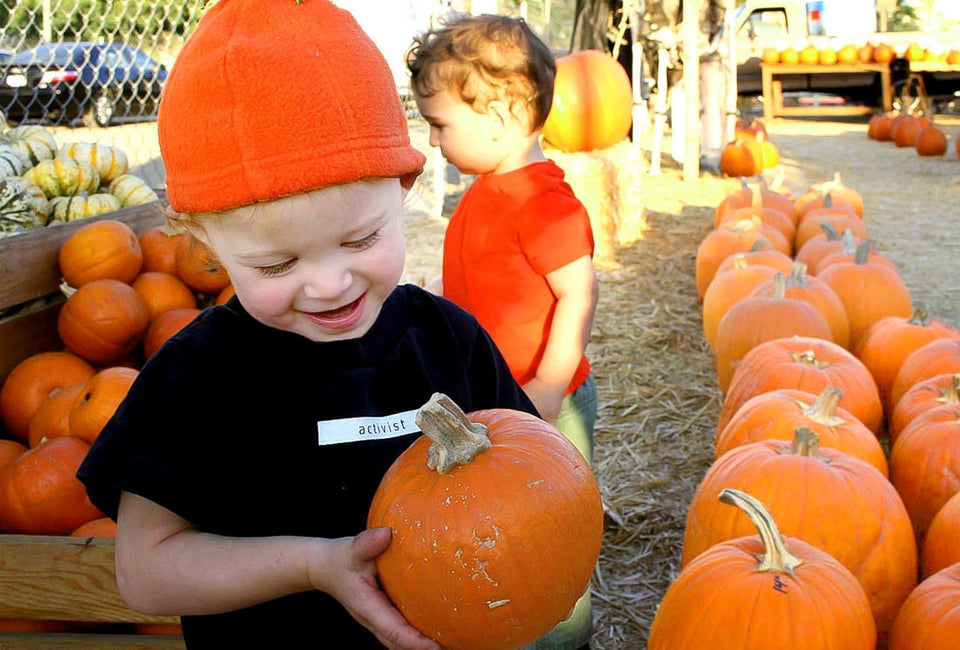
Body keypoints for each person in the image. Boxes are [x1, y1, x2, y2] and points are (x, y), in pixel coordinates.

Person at [76, 1, 539, 648]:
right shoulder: (196, 378)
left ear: (402, 189)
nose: (329, 284)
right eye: (276, 263)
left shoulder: (449, 341)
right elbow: (145, 571)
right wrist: (313, 567)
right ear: (201, 240)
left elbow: (531, 477)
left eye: (360, 240)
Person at [407, 14, 600, 650]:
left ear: (500, 116)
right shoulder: (490, 190)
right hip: (497, 393)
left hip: (549, 399)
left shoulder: (542, 202)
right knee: (509, 523)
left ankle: (562, 634)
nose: (434, 143)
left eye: (441, 125)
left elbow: (578, 293)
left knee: (551, 524)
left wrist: (548, 383)